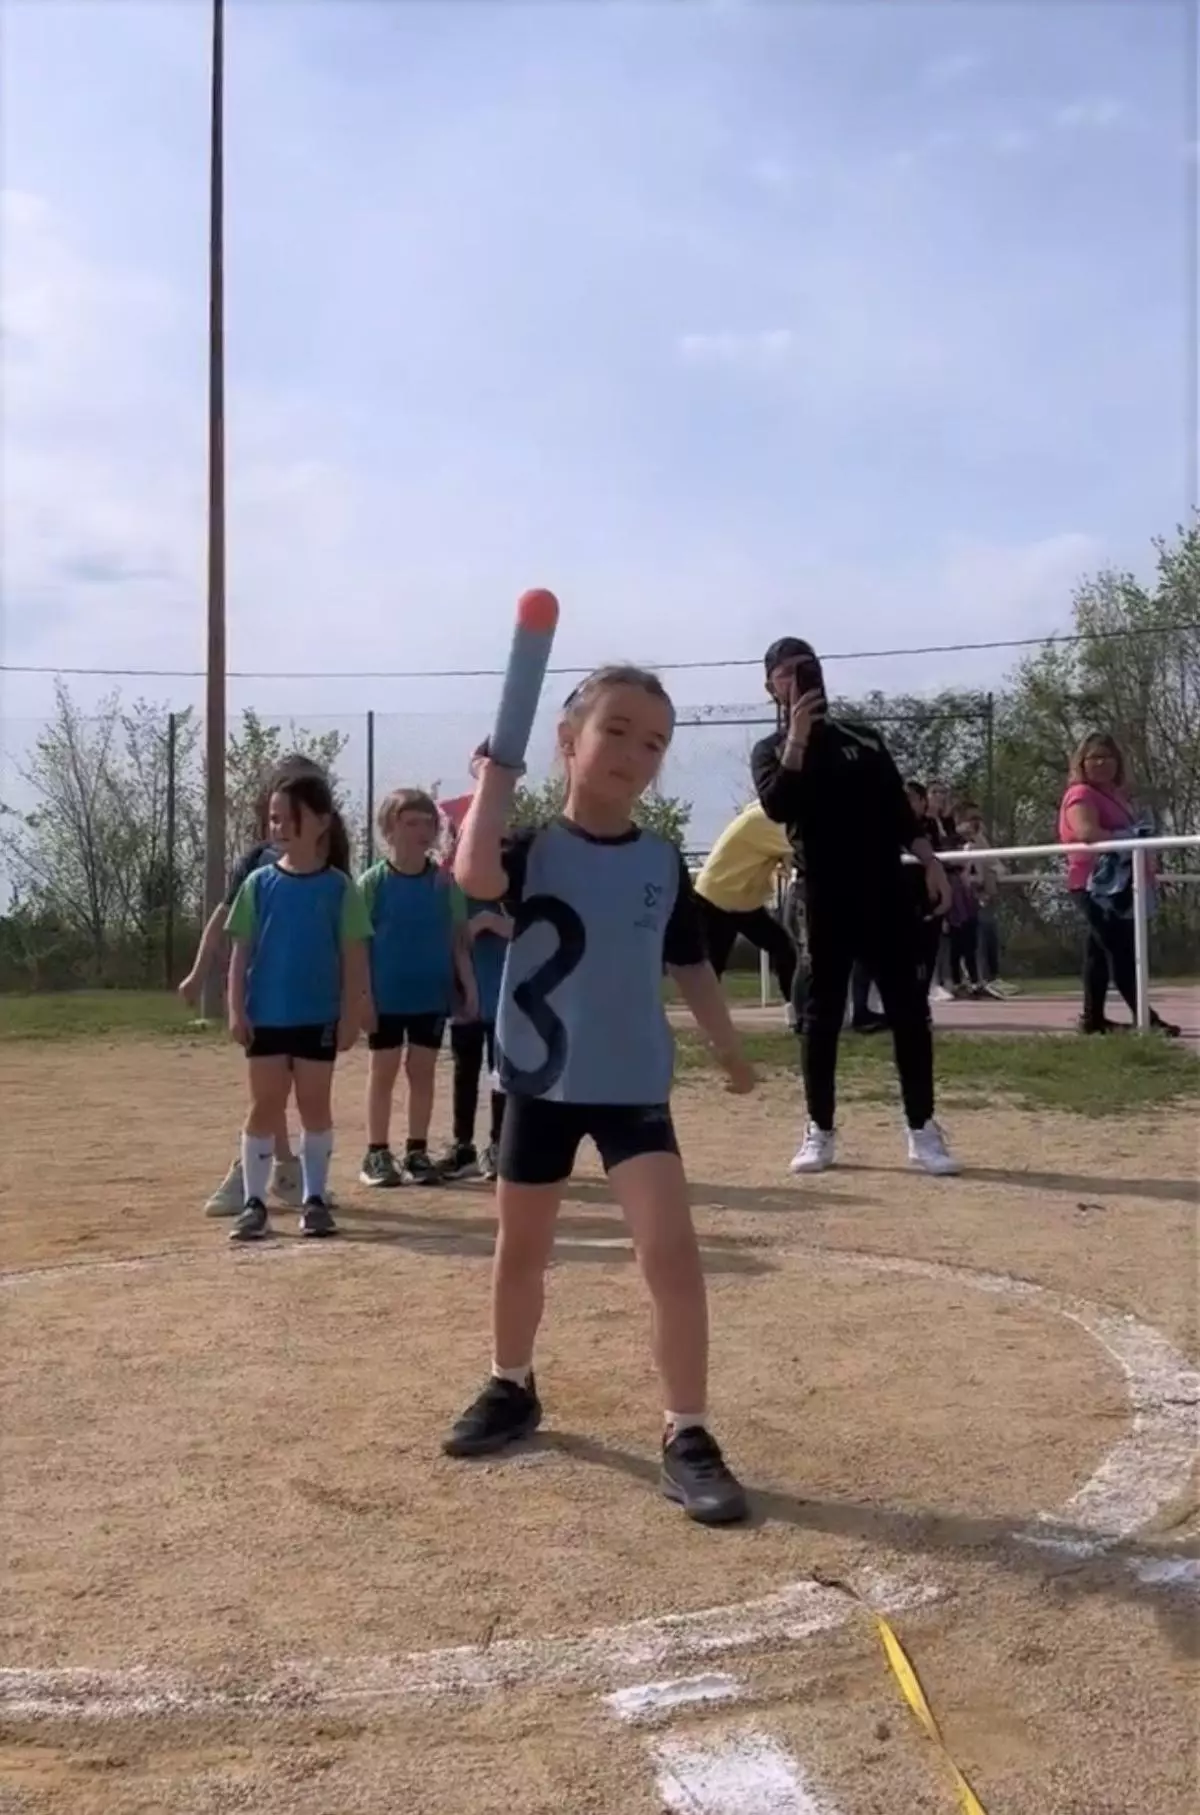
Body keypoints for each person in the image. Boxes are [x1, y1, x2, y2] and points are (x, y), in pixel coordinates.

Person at [442, 663, 756, 1525]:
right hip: (540, 1083)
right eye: (615, 729)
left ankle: (686, 1432)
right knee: (521, 1249)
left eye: (654, 741)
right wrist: (491, 781)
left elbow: (689, 960)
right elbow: (471, 878)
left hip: (630, 1087)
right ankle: (512, 1384)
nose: (634, 751)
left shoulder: (661, 859)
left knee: (671, 1252)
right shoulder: (527, 844)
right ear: (568, 741)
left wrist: (727, 1049)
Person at [751, 638, 959, 1177]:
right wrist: (797, 738)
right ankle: (819, 1129)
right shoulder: (771, 749)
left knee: (909, 1009)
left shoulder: (864, 740)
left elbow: (899, 812)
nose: (801, 679)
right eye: (788, 673)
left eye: (809, 668)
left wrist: (930, 862)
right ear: (771, 684)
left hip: (886, 890)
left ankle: (922, 1129)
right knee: (820, 1015)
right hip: (823, 895)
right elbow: (779, 806)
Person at [179, 753, 328, 1217]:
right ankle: (254, 1172)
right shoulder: (258, 866)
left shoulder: (330, 864)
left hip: (311, 999)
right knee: (268, 1092)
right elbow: (222, 922)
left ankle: (288, 1170)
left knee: (301, 1092)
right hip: (265, 997)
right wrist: (199, 972)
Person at [224, 772, 370, 1242]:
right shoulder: (259, 884)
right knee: (265, 1105)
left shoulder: (339, 888)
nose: (279, 826)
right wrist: (235, 1008)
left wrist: (351, 1014)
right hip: (266, 1015)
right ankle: (254, 1202)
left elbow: (354, 958)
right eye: (273, 818)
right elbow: (240, 953)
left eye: (291, 817)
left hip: (317, 1017)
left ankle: (314, 1198)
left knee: (313, 1104)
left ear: (322, 821)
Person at [358, 790, 476, 1187]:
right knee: (384, 1071)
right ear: (389, 829)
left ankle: (416, 1151)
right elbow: (358, 948)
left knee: (422, 1072)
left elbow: (458, 942)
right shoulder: (372, 883)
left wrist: (469, 990)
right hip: (385, 996)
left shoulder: (446, 884)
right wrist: (362, 997)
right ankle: (376, 1153)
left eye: (429, 823)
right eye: (411, 823)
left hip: (430, 995)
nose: (422, 831)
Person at [1058, 734, 1179, 1036]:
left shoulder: (1116, 796)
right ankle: (1147, 1019)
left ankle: (1093, 1019)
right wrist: (1132, 837)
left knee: (1098, 953)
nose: (1101, 763)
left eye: (1107, 757)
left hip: (1123, 884)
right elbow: (1087, 832)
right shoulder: (1081, 794)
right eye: (1094, 757)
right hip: (1094, 885)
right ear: (1082, 763)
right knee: (1121, 950)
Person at [438, 880, 512, 1182]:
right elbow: (453, 939)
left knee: (502, 1076)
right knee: (464, 1072)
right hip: (466, 1002)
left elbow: (530, 929)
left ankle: (499, 1145)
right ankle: (463, 1146)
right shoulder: (458, 892)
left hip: (505, 1000)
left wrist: (491, 921)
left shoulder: (512, 886)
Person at [693, 802, 797, 1015]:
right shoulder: (769, 819)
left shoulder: (765, 815)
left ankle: (793, 1008)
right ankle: (706, 1016)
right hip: (717, 896)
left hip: (741, 899)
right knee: (714, 962)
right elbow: (801, 848)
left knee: (782, 946)